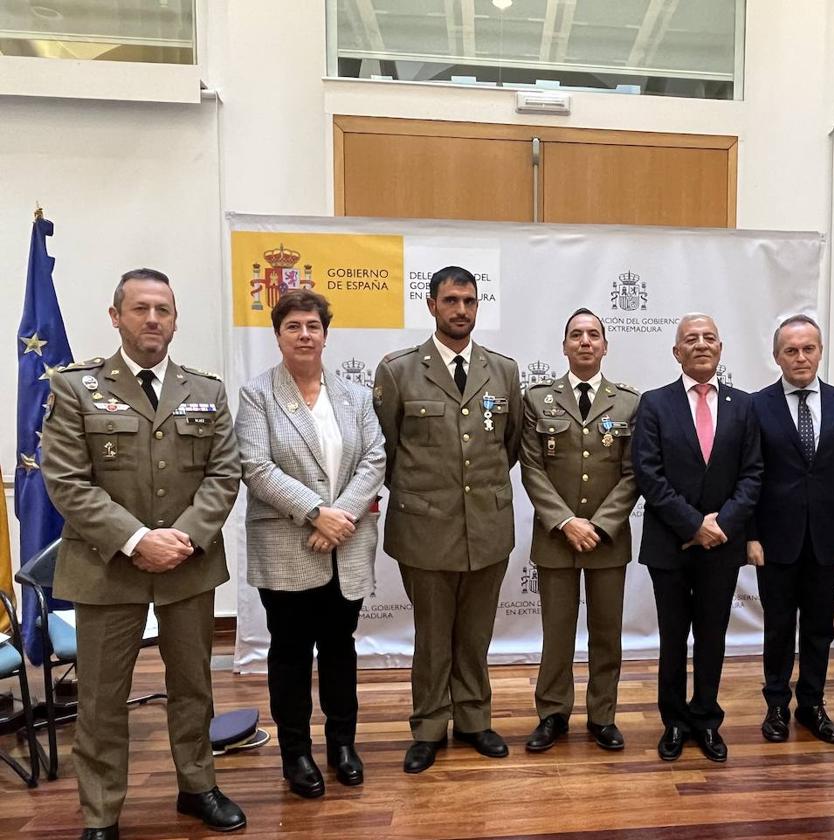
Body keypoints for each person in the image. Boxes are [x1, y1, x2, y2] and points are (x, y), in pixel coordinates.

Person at [41, 269, 245, 839]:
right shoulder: (74, 386)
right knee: (103, 698)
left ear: (175, 320)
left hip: (188, 564)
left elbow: (224, 474)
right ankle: (101, 814)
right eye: (140, 309)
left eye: (164, 310)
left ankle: (198, 786)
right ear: (116, 317)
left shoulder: (206, 390)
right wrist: (137, 540)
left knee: (193, 687)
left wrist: (180, 538)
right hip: (107, 568)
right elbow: (66, 481)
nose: (153, 319)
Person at [235, 290, 385, 798]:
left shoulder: (355, 396)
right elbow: (255, 466)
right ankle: (295, 754)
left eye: (312, 326)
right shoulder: (258, 395)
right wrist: (316, 514)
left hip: (347, 545)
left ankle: (343, 744)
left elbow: (374, 459)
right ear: (278, 335)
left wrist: (338, 519)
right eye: (293, 326)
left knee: (341, 650)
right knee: (291, 654)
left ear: (325, 333)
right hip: (287, 549)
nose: (304, 334)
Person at [373, 265, 523, 774]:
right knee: (432, 635)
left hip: (486, 526)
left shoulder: (503, 371)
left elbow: (510, 445)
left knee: (476, 633)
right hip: (424, 528)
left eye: (470, 301)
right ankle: (429, 726)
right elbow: (386, 452)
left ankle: (475, 721)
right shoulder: (398, 371)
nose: (461, 310)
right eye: (451, 301)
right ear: (432, 306)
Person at [632, 313, 762, 763]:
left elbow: (753, 474)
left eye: (710, 337)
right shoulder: (654, 403)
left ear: (721, 348)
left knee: (712, 636)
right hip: (670, 544)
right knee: (672, 637)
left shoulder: (744, 406)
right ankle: (673, 721)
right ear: (676, 352)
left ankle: (706, 719)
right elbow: (649, 474)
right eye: (691, 339)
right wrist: (693, 525)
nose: (701, 344)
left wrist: (720, 524)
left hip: (722, 545)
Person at [747, 315, 834, 745]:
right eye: (791, 350)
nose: (801, 357)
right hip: (775, 540)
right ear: (776, 356)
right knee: (778, 627)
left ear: (820, 351)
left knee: (820, 628)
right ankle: (777, 706)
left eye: (808, 349)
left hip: (828, 538)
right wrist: (750, 535)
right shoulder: (756, 405)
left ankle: (812, 705)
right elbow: (748, 477)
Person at [520, 308, 640, 752]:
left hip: (608, 541)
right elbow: (532, 469)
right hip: (556, 538)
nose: (585, 342)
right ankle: (552, 714)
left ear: (605, 346)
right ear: (564, 345)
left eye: (593, 335)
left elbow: (633, 474)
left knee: (607, 633)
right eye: (576, 335)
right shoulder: (537, 400)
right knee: (557, 632)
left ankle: (602, 715)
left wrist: (601, 524)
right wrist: (567, 521)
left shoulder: (629, 401)